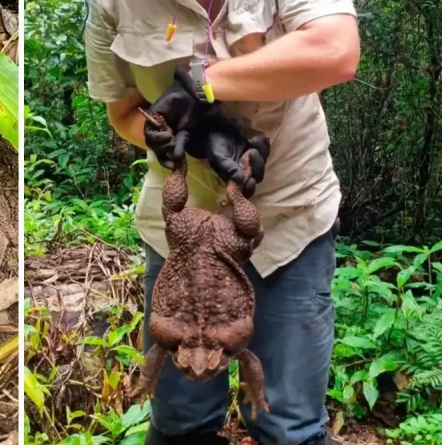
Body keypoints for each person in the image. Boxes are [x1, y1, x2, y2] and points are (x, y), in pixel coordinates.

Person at [82, 1, 360, 445]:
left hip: (288, 214)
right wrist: (164, 135)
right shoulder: (112, 5)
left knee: (289, 427)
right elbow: (122, 114)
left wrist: (200, 82)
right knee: (178, 425)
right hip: (181, 229)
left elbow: (336, 49)